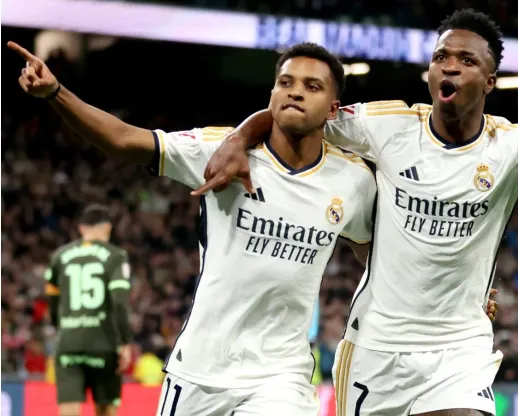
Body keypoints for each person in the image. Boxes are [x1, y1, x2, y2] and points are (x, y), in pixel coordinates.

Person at [197, 7, 518, 415]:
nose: (450, 65)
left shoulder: (511, 148)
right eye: (441, 57)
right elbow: (293, 109)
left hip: (458, 347)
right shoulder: (385, 126)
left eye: (466, 60)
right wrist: (241, 137)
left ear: (490, 83)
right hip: (376, 346)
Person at [9, 40, 377, 415]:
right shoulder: (220, 152)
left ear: (334, 109)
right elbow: (124, 139)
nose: (296, 91)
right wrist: (56, 92)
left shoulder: (354, 182)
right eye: (286, 82)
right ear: (272, 94)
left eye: (312, 86)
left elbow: (373, 255)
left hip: (282, 377)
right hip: (198, 372)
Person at [44, 204, 133, 416]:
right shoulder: (116, 256)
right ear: (108, 228)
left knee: (68, 408)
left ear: (81, 228)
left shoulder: (59, 256)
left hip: (69, 342)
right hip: (103, 342)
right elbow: (120, 303)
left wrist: (62, 329)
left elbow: (52, 303)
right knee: (106, 408)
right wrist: (126, 342)